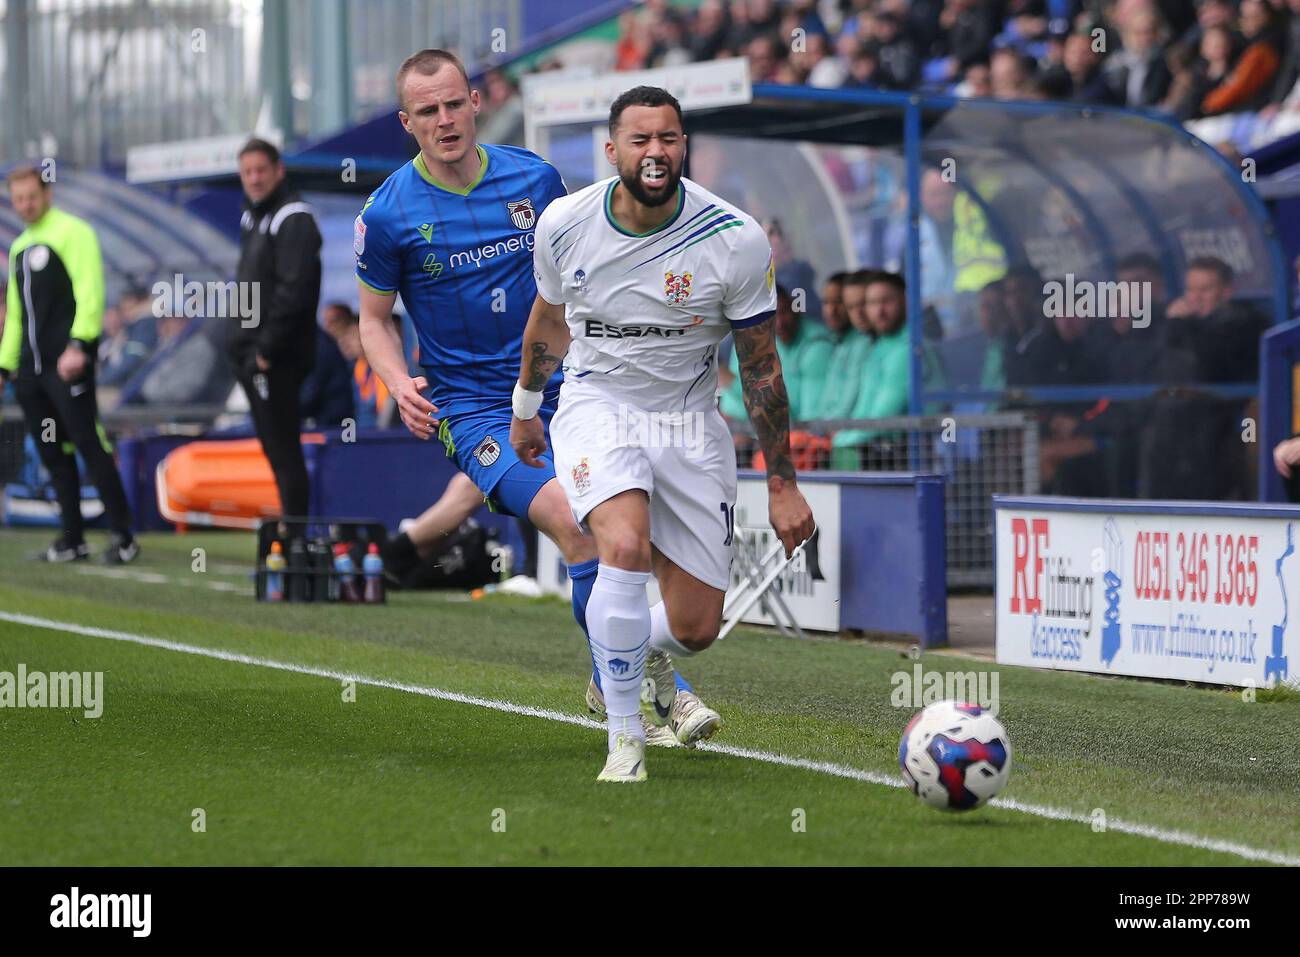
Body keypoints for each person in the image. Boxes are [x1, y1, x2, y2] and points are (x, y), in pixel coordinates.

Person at [354, 50, 719, 752]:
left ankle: (613, 674)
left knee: (625, 535)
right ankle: (653, 681)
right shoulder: (389, 213)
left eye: (453, 104)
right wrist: (399, 384)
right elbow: (373, 320)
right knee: (573, 523)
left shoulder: (535, 178)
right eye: (426, 111)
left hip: (569, 388)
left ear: (475, 103)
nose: (444, 120)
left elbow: (575, 277)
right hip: (472, 409)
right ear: (407, 122)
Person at [513, 84, 815, 782]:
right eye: (641, 138)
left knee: (697, 626)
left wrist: (782, 481)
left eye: (669, 138)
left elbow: (760, 366)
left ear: (686, 147)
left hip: (689, 422)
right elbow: (551, 320)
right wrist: (528, 404)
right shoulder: (564, 223)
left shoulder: (734, 238)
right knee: (621, 542)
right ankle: (627, 738)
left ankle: (622, 657)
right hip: (598, 405)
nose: (657, 151)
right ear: (611, 148)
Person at [0, 166, 138, 563]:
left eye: (31, 196)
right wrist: (5, 364)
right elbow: (15, 314)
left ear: (47, 194)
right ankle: (72, 539)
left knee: (88, 442)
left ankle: (123, 535)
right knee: (50, 451)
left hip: (67, 364)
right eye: (18, 198)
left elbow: (89, 290)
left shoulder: (74, 233)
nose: (25, 204)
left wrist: (80, 344)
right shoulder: (19, 246)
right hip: (31, 372)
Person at [230, 137, 322, 518]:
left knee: (284, 448)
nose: (254, 179)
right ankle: (289, 525)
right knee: (274, 446)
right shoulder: (252, 217)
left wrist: (265, 351)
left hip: (277, 357)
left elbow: (294, 291)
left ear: (278, 170)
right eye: (247, 172)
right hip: (252, 354)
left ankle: (295, 531)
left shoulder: (293, 217)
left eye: (261, 170)